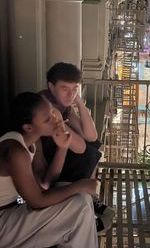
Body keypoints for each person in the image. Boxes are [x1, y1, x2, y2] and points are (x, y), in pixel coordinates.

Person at [0, 92, 98, 248]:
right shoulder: (15, 151)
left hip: (11, 213)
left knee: (81, 201)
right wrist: (79, 185)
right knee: (80, 208)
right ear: (29, 127)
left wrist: (62, 147)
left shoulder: (29, 142)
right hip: (3, 222)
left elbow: (46, 182)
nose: (55, 120)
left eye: (52, 113)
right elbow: (37, 200)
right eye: (47, 119)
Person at [39, 62, 115, 233]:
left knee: (95, 145)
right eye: (65, 88)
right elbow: (81, 147)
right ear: (51, 86)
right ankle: (84, 211)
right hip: (45, 165)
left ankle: (87, 199)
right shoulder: (46, 107)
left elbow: (91, 136)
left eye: (75, 88)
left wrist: (79, 102)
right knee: (88, 154)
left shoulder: (60, 104)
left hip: (57, 152)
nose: (70, 94)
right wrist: (63, 119)